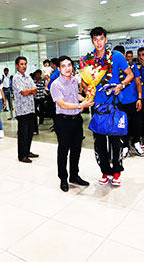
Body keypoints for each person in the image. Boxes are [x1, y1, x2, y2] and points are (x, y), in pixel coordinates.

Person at [84, 27, 133, 186]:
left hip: (114, 104)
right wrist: (86, 88)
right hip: (97, 106)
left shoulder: (117, 56)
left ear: (106, 39)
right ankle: (105, 171)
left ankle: (117, 171)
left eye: (101, 39)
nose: (99, 43)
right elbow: (84, 81)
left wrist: (121, 85)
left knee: (115, 140)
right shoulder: (88, 59)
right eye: (95, 39)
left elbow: (129, 75)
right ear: (92, 41)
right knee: (99, 141)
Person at [50, 56, 93, 192]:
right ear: (59, 68)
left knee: (76, 149)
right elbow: (62, 103)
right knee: (63, 150)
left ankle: (74, 176)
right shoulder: (56, 84)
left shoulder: (74, 80)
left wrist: (87, 98)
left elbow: (76, 96)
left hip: (76, 119)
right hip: (63, 121)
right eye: (64, 66)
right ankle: (63, 177)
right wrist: (81, 104)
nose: (67, 68)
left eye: (69, 65)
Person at [113, 47, 143, 157]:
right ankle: (125, 145)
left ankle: (136, 142)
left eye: (122, 55)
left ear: (124, 55)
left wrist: (139, 98)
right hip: (119, 101)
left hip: (133, 100)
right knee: (122, 125)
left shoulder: (133, 67)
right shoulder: (113, 68)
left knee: (136, 124)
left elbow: (138, 83)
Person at [13, 56, 39, 163]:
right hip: (22, 110)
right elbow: (23, 92)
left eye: (25, 64)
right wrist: (31, 90)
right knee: (23, 133)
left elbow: (35, 91)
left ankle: (27, 151)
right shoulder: (16, 78)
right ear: (17, 66)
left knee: (29, 132)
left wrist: (30, 90)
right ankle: (22, 155)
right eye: (21, 64)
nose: (24, 66)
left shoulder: (28, 77)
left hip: (30, 108)